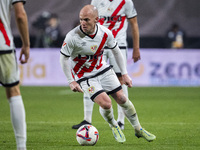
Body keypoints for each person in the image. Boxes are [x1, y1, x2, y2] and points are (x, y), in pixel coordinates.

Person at [60, 5, 155, 143]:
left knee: (122, 99)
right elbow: (63, 58)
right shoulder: (72, 37)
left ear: (97, 19)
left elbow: (116, 51)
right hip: (85, 76)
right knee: (106, 103)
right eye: (81, 19)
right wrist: (71, 81)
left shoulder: (105, 33)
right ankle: (114, 125)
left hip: (103, 69)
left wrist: (125, 74)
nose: (83, 23)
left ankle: (138, 129)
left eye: (86, 19)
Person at [72, 0, 141, 130]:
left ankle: (121, 120)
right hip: (99, 44)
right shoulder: (97, 1)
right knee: (89, 77)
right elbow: (90, 22)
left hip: (118, 44)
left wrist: (136, 47)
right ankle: (87, 120)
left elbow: (134, 24)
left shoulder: (126, 2)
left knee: (121, 79)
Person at [0, 0, 30, 150]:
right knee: (13, 92)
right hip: (2, 45)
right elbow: (20, 15)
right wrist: (26, 44)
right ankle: (21, 146)